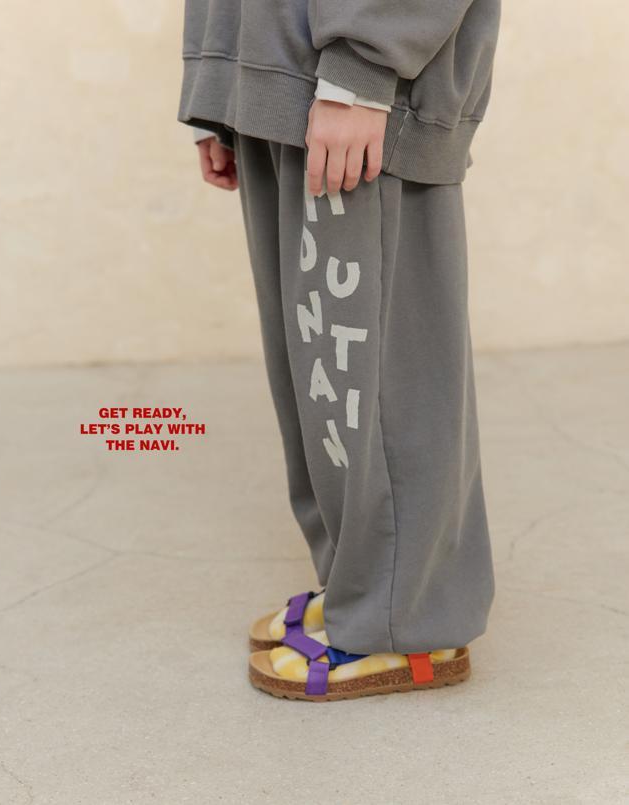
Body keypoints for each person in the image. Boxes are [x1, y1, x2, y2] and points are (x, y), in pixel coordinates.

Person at [179, 0, 501, 701]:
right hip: (280, 65)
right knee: (319, 376)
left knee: (382, 374)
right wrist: (221, 82)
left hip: (360, 81)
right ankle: (364, 587)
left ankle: (406, 621)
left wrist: (364, 66)